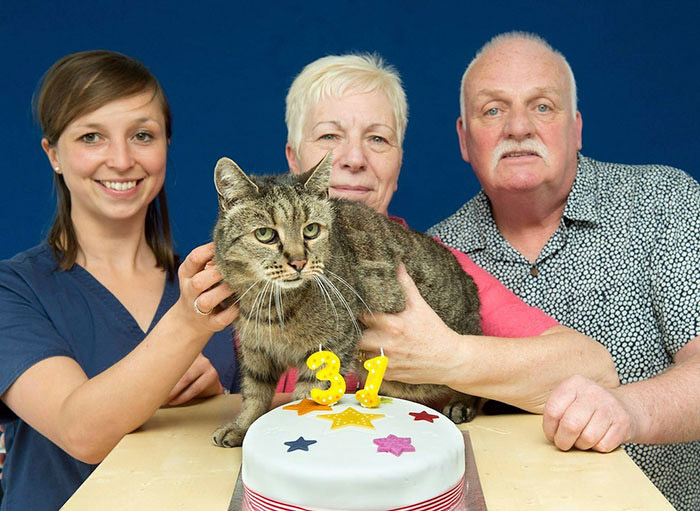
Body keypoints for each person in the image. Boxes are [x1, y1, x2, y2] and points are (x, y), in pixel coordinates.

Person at [428, 31, 700, 510]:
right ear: (464, 139)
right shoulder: (436, 252)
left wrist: (628, 410)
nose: (517, 127)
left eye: (542, 106)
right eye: (493, 110)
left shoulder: (663, 201)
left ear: (575, 128)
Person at [278, 53, 618, 416]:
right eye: (329, 135)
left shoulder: (435, 269)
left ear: (398, 161)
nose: (354, 158)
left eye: (378, 139)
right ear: (295, 159)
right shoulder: (247, 259)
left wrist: (448, 355)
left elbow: (596, 370)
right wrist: (205, 347)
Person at [0, 50, 238, 510]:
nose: (122, 159)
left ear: (166, 144)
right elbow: (80, 432)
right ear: (53, 154)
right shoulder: (13, 290)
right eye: (92, 137)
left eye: (142, 135)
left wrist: (223, 401)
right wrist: (188, 326)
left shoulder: (216, 282)